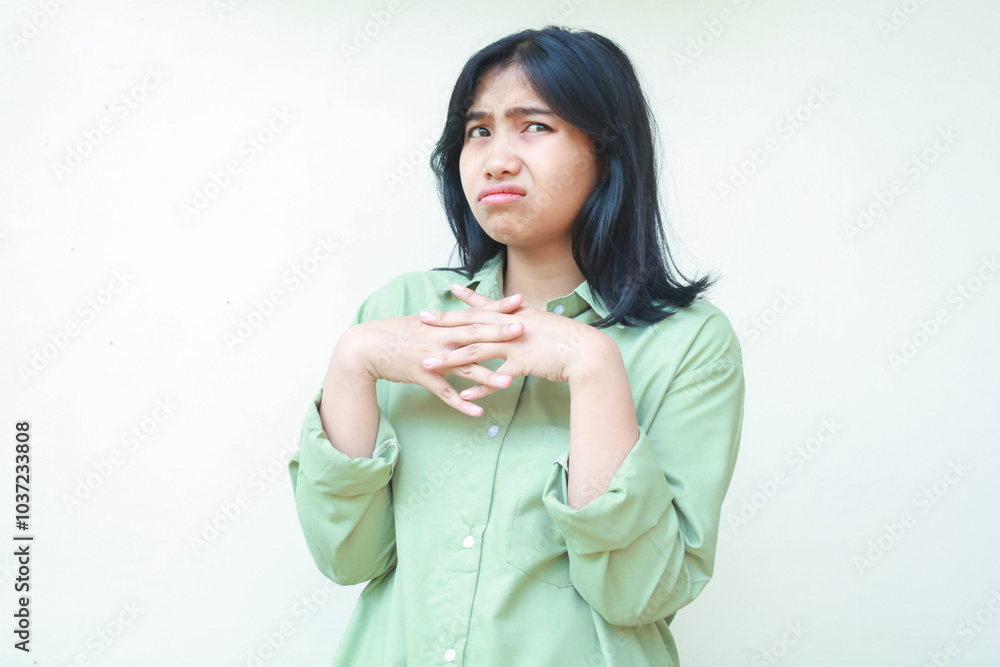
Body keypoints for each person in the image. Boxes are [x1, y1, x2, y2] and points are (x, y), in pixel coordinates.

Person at [288, 25, 745, 667]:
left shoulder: (689, 342)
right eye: (479, 131)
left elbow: (637, 593)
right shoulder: (398, 314)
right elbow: (347, 558)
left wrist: (592, 366)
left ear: (606, 151)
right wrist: (351, 362)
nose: (497, 158)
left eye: (534, 126)